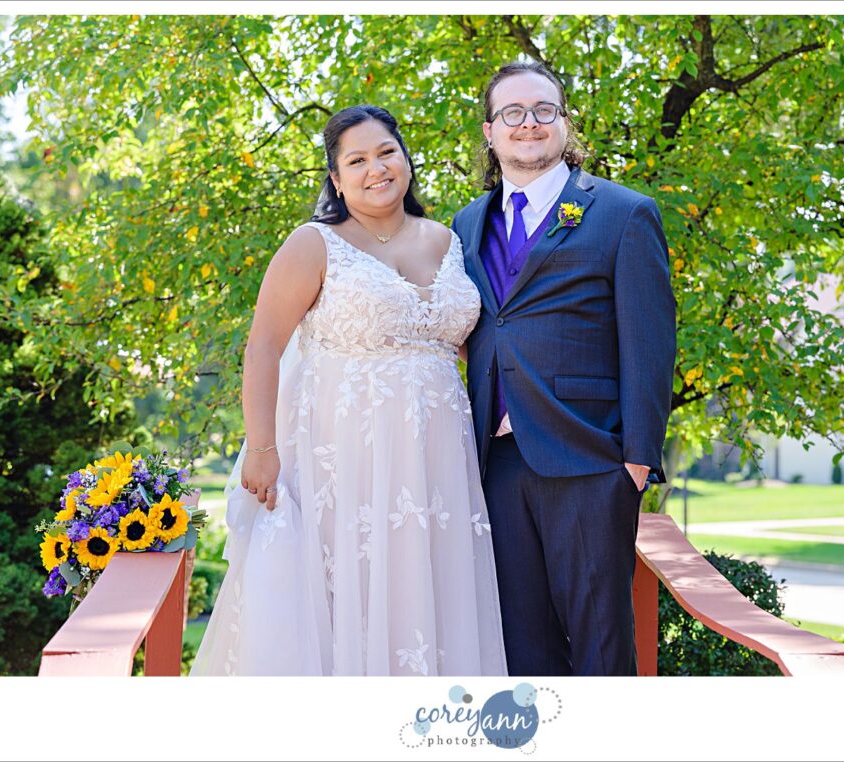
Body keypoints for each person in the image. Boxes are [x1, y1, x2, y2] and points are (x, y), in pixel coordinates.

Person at [191, 105, 507, 676]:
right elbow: (263, 346)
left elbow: (472, 341)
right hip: (341, 462)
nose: (376, 168)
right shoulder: (315, 244)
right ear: (336, 180)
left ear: (405, 158)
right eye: (356, 160)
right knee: (346, 593)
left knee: (425, 588)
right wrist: (262, 447)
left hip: (437, 463)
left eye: (386, 152)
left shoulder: (450, 240)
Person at [451, 62, 676, 676]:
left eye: (544, 110)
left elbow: (650, 343)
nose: (530, 124)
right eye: (513, 114)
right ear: (491, 132)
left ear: (564, 122)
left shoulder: (622, 214)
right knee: (519, 644)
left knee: (601, 639)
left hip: (588, 461)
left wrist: (635, 460)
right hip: (493, 464)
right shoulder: (466, 225)